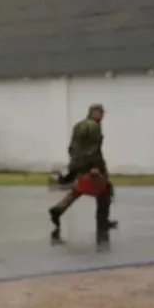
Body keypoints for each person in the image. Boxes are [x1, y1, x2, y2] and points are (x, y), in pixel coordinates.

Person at [49, 103, 116, 242]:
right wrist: (95, 166)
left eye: (102, 113)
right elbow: (93, 149)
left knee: (79, 188)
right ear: (93, 113)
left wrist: (74, 164)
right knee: (105, 190)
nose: (102, 115)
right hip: (89, 164)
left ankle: (58, 209)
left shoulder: (80, 125)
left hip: (77, 163)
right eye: (100, 112)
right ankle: (103, 222)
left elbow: (72, 147)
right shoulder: (93, 127)